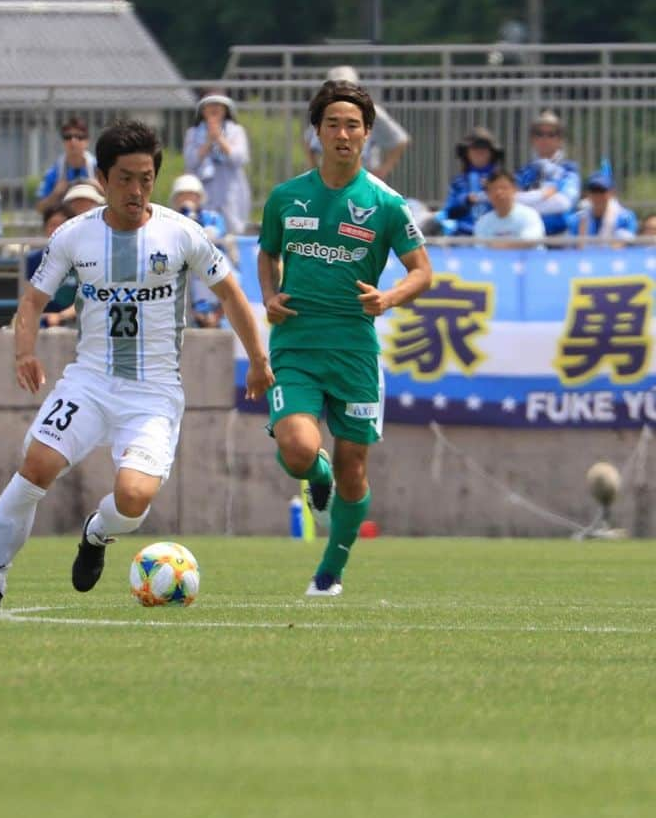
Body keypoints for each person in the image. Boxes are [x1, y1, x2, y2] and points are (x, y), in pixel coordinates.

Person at [0, 120, 273, 608]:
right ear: (103, 179)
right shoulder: (72, 236)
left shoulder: (182, 234)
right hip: (88, 381)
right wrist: (24, 352)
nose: (136, 189)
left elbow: (231, 294)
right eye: (125, 178)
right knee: (37, 465)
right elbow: (31, 301)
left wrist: (257, 358)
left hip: (153, 393)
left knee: (132, 498)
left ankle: (96, 533)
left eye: (146, 178)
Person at [258, 77, 432, 598]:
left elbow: (423, 271)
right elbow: (267, 252)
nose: (342, 133)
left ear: (368, 134)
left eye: (352, 125)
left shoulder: (386, 203)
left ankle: (330, 571)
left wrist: (389, 299)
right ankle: (317, 471)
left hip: (355, 352)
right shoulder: (286, 198)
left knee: (356, 471)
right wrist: (268, 295)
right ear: (316, 132)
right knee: (295, 448)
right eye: (332, 123)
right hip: (296, 346)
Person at [303, 66, 410, 181]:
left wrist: (383, 170)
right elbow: (308, 140)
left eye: (352, 125)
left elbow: (401, 140)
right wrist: (314, 169)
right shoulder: (325, 110)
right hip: (329, 180)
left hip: (363, 178)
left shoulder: (372, 111)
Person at [183, 91, 252, 235]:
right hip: (203, 188)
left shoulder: (236, 131)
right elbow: (190, 161)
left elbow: (240, 158)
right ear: (202, 111)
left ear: (226, 110)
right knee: (202, 229)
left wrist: (220, 139)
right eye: (210, 105)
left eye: (219, 105)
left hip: (230, 189)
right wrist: (208, 141)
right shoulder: (193, 133)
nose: (214, 108)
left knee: (233, 230)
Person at [169, 173, 229, 328]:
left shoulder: (213, 217)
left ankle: (216, 315)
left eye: (192, 195)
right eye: (182, 195)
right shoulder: (169, 220)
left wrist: (192, 216)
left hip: (208, 273)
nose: (187, 199)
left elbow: (212, 235)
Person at [515, 110, 580, 235]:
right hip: (528, 235)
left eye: (551, 134)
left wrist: (527, 202)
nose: (545, 138)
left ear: (560, 140)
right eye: (539, 134)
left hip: (560, 237)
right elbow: (511, 201)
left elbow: (563, 203)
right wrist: (543, 195)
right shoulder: (523, 172)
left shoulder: (569, 170)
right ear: (533, 139)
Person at [439, 126, 504, 236]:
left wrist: (494, 193)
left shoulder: (503, 180)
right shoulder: (458, 182)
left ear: (492, 152)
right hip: (464, 234)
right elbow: (449, 210)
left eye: (484, 148)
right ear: (466, 153)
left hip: (496, 233)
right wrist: (466, 200)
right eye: (474, 148)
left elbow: (512, 205)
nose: (479, 152)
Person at [25, 207, 78, 328]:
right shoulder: (32, 260)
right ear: (45, 228)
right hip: (40, 320)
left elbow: (86, 300)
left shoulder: (83, 259)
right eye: (52, 225)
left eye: (63, 224)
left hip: (74, 321)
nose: (57, 229)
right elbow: (29, 299)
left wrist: (61, 317)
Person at [35, 118, 96, 215]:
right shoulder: (54, 172)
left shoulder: (99, 168)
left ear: (87, 141)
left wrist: (100, 188)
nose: (73, 141)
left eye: (79, 137)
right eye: (68, 137)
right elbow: (39, 208)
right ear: (63, 141)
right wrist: (55, 193)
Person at [473, 167, 546, 247]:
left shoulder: (530, 215)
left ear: (514, 190)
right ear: (487, 194)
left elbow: (529, 242)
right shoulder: (482, 223)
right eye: (494, 189)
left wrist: (497, 246)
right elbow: (480, 252)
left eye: (504, 188)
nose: (499, 192)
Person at [567, 172, 637, 242]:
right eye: (594, 191)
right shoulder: (577, 219)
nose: (598, 195)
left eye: (602, 191)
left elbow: (623, 245)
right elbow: (573, 248)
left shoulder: (626, 218)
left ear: (611, 193)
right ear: (588, 194)